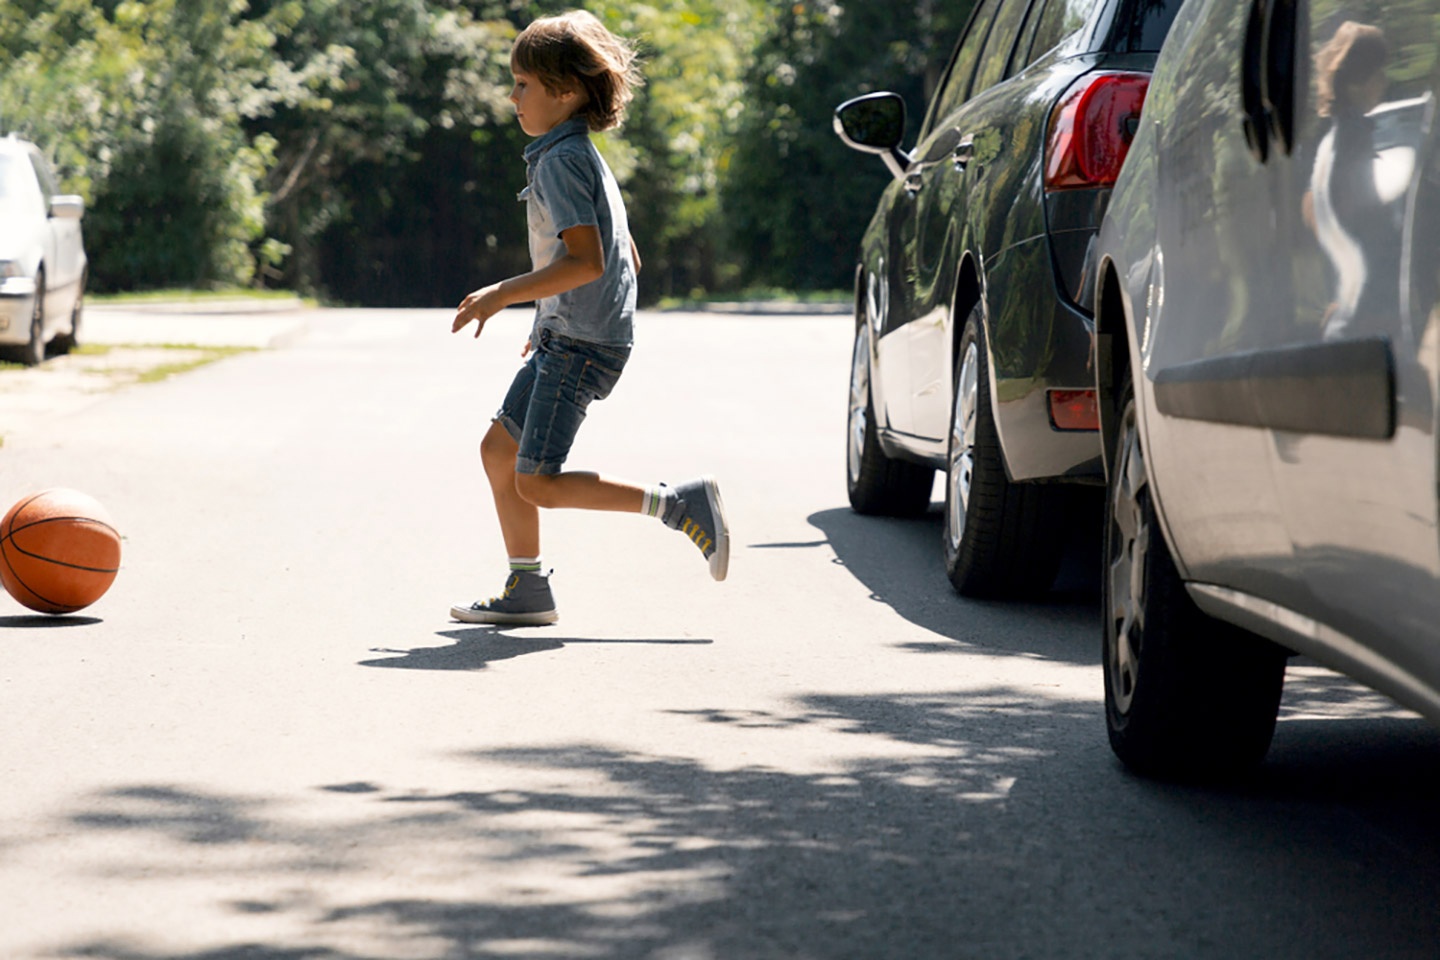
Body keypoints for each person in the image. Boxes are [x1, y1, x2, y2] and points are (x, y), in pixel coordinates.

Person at [449, 10, 729, 626]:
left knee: (538, 481)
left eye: (523, 83)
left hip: (579, 344)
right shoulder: (572, 153)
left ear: (565, 91)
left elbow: (586, 259)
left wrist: (503, 293)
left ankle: (679, 504)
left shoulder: (562, 161)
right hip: (568, 335)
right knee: (500, 453)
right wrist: (546, 317)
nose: (512, 95)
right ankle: (527, 588)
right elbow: (620, 250)